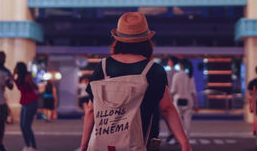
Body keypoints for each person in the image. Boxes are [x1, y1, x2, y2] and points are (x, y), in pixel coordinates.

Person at [80, 12, 192, 151]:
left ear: (118, 39)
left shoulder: (102, 67)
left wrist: (84, 144)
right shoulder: (154, 70)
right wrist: (184, 142)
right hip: (142, 144)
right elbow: (167, 109)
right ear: (147, 41)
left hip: (104, 145)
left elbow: (91, 110)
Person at [170, 58, 199, 144]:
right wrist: (196, 103)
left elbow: (173, 90)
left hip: (178, 100)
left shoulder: (176, 76)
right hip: (188, 101)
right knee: (187, 121)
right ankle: (187, 139)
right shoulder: (190, 76)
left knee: (177, 121)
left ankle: (177, 138)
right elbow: (193, 91)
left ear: (181, 66)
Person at [14, 62, 39, 151]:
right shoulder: (18, 77)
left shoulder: (27, 76)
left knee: (26, 125)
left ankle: (33, 146)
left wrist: (30, 82)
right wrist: (14, 73)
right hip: (24, 102)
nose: (15, 68)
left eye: (17, 67)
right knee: (22, 125)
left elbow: (36, 87)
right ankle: (28, 145)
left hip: (31, 101)